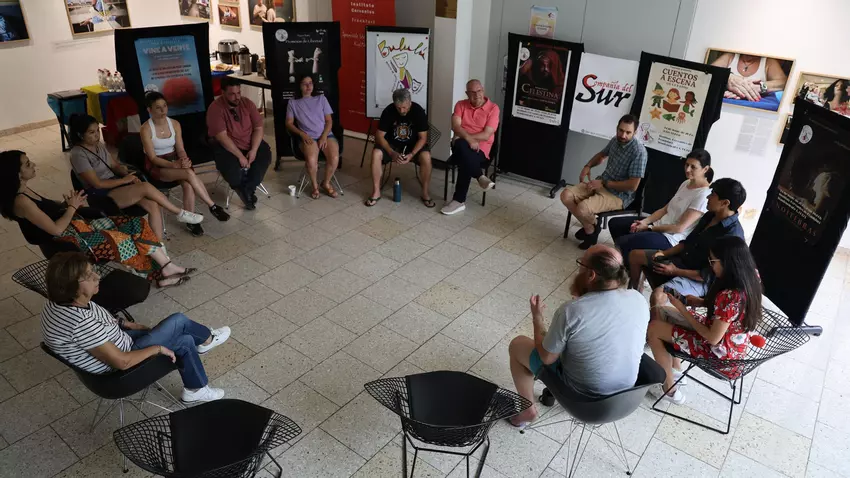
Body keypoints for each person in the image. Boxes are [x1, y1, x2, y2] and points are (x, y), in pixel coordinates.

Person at [41, 252, 231, 403]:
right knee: (179, 322)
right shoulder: (80, 323)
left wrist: (126, 324)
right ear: (72, 286)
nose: (97, 276)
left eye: (93, 271)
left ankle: (196, 389)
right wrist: (157, 348)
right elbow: (122, 362)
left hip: (118, 341)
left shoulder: (57, 302)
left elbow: (99, 321)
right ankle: (207, 340)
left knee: (184, 337)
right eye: (89, 276)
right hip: (120, 370)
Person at [1, 150, 196, 289]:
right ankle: (162, 273)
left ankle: (166, 268)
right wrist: (72, 207)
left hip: (77, 226)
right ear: (16, 174)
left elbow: (48, 212)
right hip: (70, 240)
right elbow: (56, 230)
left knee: (136, 223)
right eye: (27, 164)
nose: (33, 165)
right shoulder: (21, 202)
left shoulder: (25, 190)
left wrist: (68, 204)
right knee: (124, 240)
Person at [507, 245, 649, 426]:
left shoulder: (572, 311)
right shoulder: (638, 298)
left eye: (581, 264)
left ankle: (527, 410)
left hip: (582, 400)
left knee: (518, 344)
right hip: (627, 397)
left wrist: (537, 318)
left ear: (591, 275)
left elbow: (547, 357)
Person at [646, 236, 762, 404]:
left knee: (654, 329)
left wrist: (683, 309)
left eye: (713, 261)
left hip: (720, 355)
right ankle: (675, 370)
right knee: (662, 311)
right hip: (731, 342)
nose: (710, 265)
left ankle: (669, 390)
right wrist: (700, 302)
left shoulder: (730, 296)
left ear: (727, 262)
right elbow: (728, 315)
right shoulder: (751, 276)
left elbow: (712, 338)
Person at [68, 114, 203, 242]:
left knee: (153, 205)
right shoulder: (78, 154)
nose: (97, 135)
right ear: (80, 135)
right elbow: (97, 184)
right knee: (145, 187)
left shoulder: (99, 145)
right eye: (91, 132)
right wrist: (124, 180)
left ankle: (159, 246)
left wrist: (127, 175)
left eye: (97, 130)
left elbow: (114, 166)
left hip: (116, 186)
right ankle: (179, 213)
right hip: (101, 196)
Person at [632, 178, 746, 318]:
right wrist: (664, 253)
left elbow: (708, 275)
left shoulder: (732, 235)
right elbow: (688, 242)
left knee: (658, 296)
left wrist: (675, 271)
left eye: (713, 194)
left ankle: (654, 328)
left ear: (725, 203)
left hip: (700, 280)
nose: (708, 197)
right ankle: (634, 298)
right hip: (683, 261)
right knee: (635, 256)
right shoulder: (710, 215)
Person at [608, 150, 713, 275]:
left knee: (623, 242)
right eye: (686, 164)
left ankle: (624, 270)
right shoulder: (686, 183)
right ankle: (629, 264)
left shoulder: (703, 195)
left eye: (693, 167)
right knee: (615, 224)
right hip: (659, 226)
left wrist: (649, 228)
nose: (687, 169)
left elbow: (679, 228)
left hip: (670, 238)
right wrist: (645, 221)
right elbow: (665, 209)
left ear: (705, 169)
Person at [140, 91, 230, 237]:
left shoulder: (175, 124)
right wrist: (173, 165)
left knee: (188, 183)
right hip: (158, 165)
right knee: (189, 174)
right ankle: (212, 206)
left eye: (165, 106)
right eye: (158, 108)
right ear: (149, 110)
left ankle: (191, 220)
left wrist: (184, 159)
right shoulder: (145, 129)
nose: (163, 110)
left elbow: (180, 149)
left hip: (175, 159)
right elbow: (153, 158)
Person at [561, 114, 647, 249]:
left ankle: (590, 230)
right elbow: (602, 155)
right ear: (617, 128)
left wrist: (604, 183)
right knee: (566, 195)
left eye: (628, 132)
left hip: (619, 195)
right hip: (602, 183)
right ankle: (591, 228)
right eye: (620, 130)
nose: (623, 135)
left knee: (583, 208)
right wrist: (588, 166)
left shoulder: (639, 152)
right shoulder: (615, 140)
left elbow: (633, 186)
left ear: (635, 132)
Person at [207, 76, 272, 211]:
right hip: (227, 147)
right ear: (223, 93)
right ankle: (246, 192)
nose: (237, 97)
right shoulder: (215, 108)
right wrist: (240, 156)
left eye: (238, 93)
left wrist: (253, 150)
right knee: (234, 174)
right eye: (232, 94)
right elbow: (222, 137)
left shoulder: (247, 103)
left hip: (249, 142)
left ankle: (247, 190)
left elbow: (258, 128)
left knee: (264, 158)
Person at [365, 88, 433, 208]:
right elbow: (379, 135)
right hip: (392, 145)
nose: (402, 111)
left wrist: (412, 154)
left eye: (404, 107)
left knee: (426, 156)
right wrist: (391, 152)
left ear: (410, 102)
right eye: (399, 108)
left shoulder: (418, 111)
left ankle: (425, 192)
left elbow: (423, 138)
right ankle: (376, 192)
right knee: (376, 153)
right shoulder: (388, 111)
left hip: (413, 145)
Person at [441, 79, 499, 216]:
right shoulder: (460, 105)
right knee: (462, 146)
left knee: (464, 157)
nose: (476, 95)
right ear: (467, 93)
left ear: (483, 90)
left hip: (481, 150)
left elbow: (486, 135)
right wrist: (469, 140)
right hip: (461, 146)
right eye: (472, 92)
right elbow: (456, 126)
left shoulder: (493, 108)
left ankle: (459, 201)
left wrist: (466, 137)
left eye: (479, 91)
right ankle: (480, 176)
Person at [285, 74, 340, 199]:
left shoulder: (321, 99)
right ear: (299, 86)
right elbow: (289, 123)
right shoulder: (293, 103)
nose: (308, 86)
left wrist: (324, 136)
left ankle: (326, 183)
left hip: (326, 135)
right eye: (305, 83)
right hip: (308, 137)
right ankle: (315, 187)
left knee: (334, 157)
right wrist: (301, 134)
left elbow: (329, 121)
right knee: (311, 161)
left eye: (310, 83)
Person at [710, 52, 788, 102]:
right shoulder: (730, 56)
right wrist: (728, 77)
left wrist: (759, 87)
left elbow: (783, 83)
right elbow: (708, 72)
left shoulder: (769, 61)